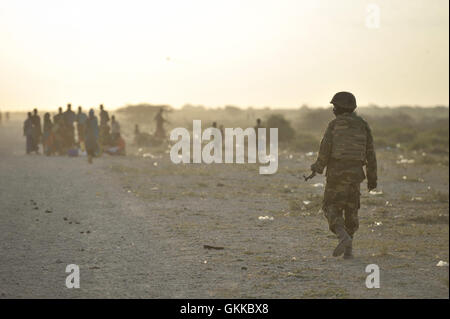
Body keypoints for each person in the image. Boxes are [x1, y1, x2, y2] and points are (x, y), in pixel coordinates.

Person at [310, 92, 377, 259]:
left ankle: (342, 236)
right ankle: (349, 251)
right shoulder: (363, 125)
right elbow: (370, 154)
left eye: (334, 107)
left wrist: (316, 168)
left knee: (330, 207)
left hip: (336, 174)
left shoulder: (334, 125)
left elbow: (325, 150)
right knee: (351, 210)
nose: (333, 110)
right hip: (355, 174)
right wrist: (372, 178)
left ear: (339, 108)